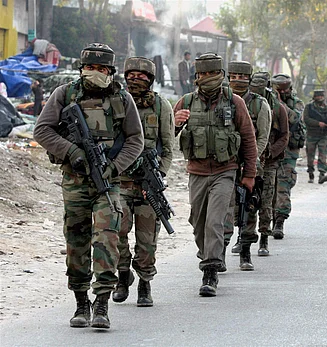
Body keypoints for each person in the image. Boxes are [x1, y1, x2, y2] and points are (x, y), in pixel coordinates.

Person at [33, 43, 144, 329]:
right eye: (90, 68)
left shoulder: (122, 99)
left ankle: (102, 303)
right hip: (75, 182)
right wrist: (72, 152)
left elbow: (135, 140)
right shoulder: (65, 94)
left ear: (110, 71)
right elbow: (42, 130)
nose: (95, 73)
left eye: (102, 69)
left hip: (108, 183)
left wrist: (115, 165)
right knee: (76, 240)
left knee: (106, 238)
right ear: (82, 69)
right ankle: (81, 301)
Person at [173, 53, 257, 296]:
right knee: (198, 223)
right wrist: (175, 123)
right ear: (196, 77)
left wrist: (249, 174)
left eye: (212, 74)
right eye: (202, 74)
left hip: (225, 170)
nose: (207, 78)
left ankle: (210, 271)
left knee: (215, 220)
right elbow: (165, 137)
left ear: (221, 76)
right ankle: (208, 253)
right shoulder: (186, 102)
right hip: (196, 172)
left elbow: (249, 140)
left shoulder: (235, 102)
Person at [112, 57, 174, 307]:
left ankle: (145, 283)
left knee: (147, 241)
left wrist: (158, 175)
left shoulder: (161, 106)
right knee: (117, 232)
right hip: (120, 182)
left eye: (141, 76)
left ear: (150, 80)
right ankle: (123, 273)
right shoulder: (116, 103)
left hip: (148, 185)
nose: (135, 79)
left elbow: (168, 148)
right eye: (131, 75)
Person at [223, 61, 271, 270]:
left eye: (242, 77)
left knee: (248, 207)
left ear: (249, 79)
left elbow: (262, 137)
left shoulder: (260, 105)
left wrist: (251, 160)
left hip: (250, 165)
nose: (237, 81)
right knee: (224, 209)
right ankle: (219, 254)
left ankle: (245, 251)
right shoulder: (221, 100)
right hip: (224, 164)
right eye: (233, 77)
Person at [249, 72, 289, 247]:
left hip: (269, 162)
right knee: (246, 201)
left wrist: (271, 152)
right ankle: (245, 237)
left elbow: (284, 136)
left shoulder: (278, 108)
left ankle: (264, 237)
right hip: (250, 160)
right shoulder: (245, 104)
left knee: (266, 201)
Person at [271, 73, 305, 239]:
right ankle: (269, 218)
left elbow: (294, 119)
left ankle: (280, 221)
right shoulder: (265, 100)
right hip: (270, 149)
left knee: (283, 184)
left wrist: (279, 103)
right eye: (279, 90)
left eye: (285, 89)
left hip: (289, 151)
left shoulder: (296, 103)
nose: (283, 92)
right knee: (268, 187)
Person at [303, 89, 327, 184]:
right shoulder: (309, 107)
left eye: (321, 96)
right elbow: (306, 119)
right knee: (310, 156)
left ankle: (322, 174)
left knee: (322, 155)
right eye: (318, 96)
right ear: (314, 97)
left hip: (323, 135)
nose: (320, 98)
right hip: (311, 135)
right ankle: (311, 173)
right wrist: (317, 123)